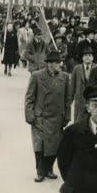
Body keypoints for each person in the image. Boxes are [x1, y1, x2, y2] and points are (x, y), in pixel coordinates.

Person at [24, 50, 71, 182]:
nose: (59, 65)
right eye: (56, 62)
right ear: (49, 64)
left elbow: (68, 99)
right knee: (39, 145)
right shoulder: (36, 76)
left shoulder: (65, 77)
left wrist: (67, 116)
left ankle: (49, 169)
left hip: (57, 118)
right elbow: (29, 98)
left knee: (54, 146)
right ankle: (40, 171)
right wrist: (30, 116)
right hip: (40, 118)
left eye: (59, 62)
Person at [71, 47, 95, 123]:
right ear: (82, 58)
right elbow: (72, 86)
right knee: (79, 122)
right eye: (85, 55)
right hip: (80, 101)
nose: (87, 57)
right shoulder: (76, 69)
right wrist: (70, 100)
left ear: (92, 58)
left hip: (93, 100)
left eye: (89, 55)